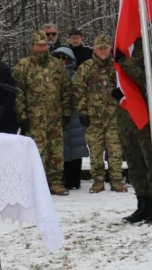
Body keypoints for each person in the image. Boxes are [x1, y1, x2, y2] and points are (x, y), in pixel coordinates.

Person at [113, 38, 152, 223]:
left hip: (147, 113)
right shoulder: (122, 48)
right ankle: (142, 204)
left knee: (151, 161)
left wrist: (124, 62)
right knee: (134, 161)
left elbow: (149, 80)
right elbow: (118, 78)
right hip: (127, 115)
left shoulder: (150, 48)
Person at [13, 31, 73, 196]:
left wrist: (67, 111)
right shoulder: (23, 66)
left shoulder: (56, 65)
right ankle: (38, 184)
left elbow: (66, 89)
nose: (42, 48)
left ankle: (55, 182)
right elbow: (18, 93)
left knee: (56, 152)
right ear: (32, 46)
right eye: (39, 45)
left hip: (54, 117)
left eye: (45, 45)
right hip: (34, 119)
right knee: (37, 152)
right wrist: (22, 116)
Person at [73, 35, 127, 193]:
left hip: (113, 117)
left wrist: (121, 94)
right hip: (93, 118)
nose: (103, 51)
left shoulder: (117, 67)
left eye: (105, 48)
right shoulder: (86, 67)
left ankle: (116, 179)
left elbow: (127, 86)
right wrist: (82, 111)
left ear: (110, 49)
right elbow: (78, 91)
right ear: (94, 49)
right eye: (100, 48)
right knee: (95, 151)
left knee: (115, 151)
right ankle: (98, 180)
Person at [52, 47, 89, 190]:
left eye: (64, 58)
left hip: (75, 118)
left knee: (76, 148)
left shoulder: (76, 76)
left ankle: (76, 179)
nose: (62, 61)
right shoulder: (51, 77)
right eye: (58, 58)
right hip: (58, 117)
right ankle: (64, 179)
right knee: (62, 150)